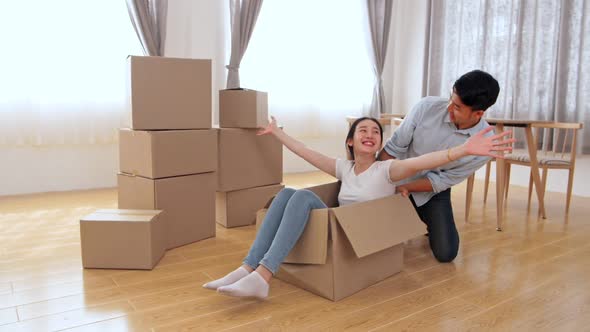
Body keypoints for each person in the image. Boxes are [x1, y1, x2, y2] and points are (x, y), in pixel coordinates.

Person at [203, 113, 513, 299]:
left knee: (297, 196)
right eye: (362, 130)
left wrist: (463, 150)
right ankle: (247, 268)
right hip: (330, 229)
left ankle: (263, 276)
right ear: (351, 141)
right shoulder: (343, 168)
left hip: (351, 236)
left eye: (376, 131)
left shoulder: (387, 171)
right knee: (287, 194)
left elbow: (425, 161)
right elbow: (305, 151)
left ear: (379, 144)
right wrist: (278, 132)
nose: (370, 134)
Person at [379, 69, 501, 263]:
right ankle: (404, 214)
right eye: (450, 100)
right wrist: (379, 183)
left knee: (446, 253)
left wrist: (405, 189)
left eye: (458, 107)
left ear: (478, 113)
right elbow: (394, 147)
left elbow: (442, 180)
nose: (449, 108)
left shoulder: (485, 145)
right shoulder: (426, 107)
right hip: (393, 177)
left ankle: (421, 218)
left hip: (429, 189)